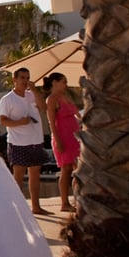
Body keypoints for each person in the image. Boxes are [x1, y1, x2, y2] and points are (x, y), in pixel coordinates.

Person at [0, 67, 49, 215]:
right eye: (22, 78)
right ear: (14, 79)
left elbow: (43, 107)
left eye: (27, 78)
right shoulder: (7, 99)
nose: (25, 81)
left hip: (35, 140)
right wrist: (21, 122)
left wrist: (35, 91)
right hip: (18, 142)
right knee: (18, 176)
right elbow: (2, 121)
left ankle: (36, 206)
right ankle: (18, 209)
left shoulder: (32, 95)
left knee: (35, 174)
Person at [43, 72, 80, 212]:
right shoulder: (51, 100)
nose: (66, 85)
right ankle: (64, 203)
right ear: (55, 82)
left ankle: (78, 199)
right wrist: (58, 141)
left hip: (75, 137)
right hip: (62, 137)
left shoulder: (66, 97)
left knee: (79, 169)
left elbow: (78, 114)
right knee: (66, 170)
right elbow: (51, 122)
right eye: (63, 82)